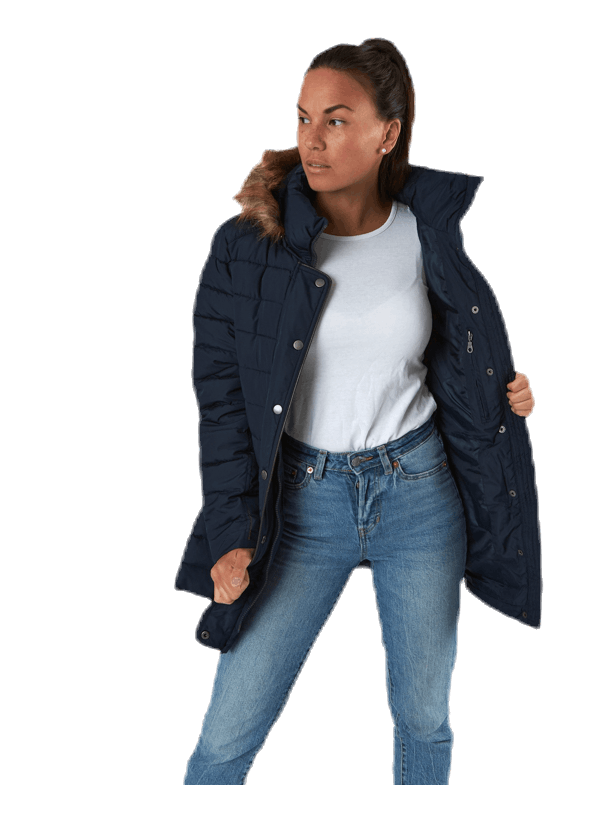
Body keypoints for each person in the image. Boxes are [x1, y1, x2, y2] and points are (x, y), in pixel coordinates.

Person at [178, 37, 541, 786]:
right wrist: (229, 532)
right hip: (301, 506)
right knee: (225, 737)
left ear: (388, 132)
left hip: (419, 495)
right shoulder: (247, 247)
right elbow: (220, 402)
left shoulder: (428, 232)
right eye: (303, 117)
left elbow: (462, 349)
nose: (311, 139)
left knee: (424, 719)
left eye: (337, 120)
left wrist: (506, 393)